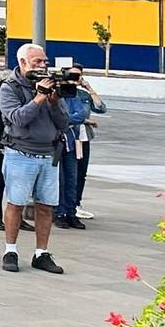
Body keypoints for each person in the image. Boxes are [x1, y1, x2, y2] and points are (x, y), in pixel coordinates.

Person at [0, 44, 69, 274]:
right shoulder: (9, 88)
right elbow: (17, 119)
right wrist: (39, 97)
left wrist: (54, 101)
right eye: (37, 61)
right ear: (23, 63)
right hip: (20, 153)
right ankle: (10, 250)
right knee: (16, 203)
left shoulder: (51, 86)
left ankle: (42, 253)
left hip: (48, 154)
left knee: (46, 206)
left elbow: (63, 123)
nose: (43, 65)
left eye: (44, 61)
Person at [53, 66, 106, 230]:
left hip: (74, 139)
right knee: (59, 179)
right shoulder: (56, 92)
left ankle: (71, 211)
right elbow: (57, 116)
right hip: (56, 140)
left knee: (73, 176)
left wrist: (68, 119)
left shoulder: (76, 94)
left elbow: (82, 114)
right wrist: (69, 119)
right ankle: (59, 212)